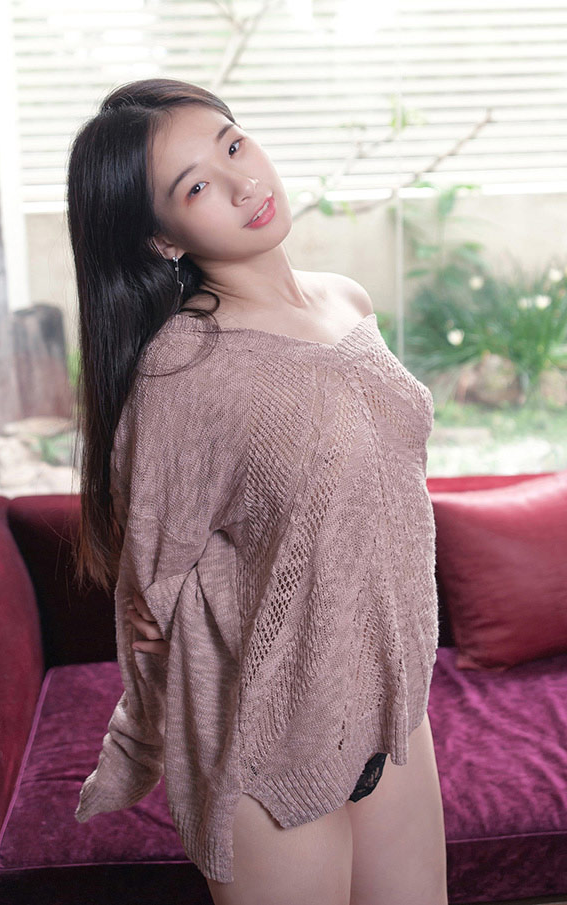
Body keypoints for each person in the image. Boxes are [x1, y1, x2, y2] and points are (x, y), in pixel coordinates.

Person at [67, 77, 448, 905]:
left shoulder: (348, 300)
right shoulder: (183, 370)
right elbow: (149, 595)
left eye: (234, 145)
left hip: (390, 711)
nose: (244, 184)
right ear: (162, 238)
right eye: (196, 187)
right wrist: (141, 740)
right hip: (266, 742)